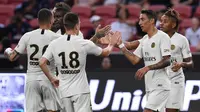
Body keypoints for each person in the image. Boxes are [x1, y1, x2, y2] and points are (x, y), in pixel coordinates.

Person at [39, 12, 120, 112]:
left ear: (65, 26)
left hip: (63, 92)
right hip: (81, 91)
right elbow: (105, 52)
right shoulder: (82, 43)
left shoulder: (54, 44)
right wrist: (111, 43)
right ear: (77, 26)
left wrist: (52, 78)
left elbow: (42, 62)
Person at [4, 8, 62, 112]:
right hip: (48, 78)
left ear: (37, 20)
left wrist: (7, 50)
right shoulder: (57, 37)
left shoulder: (28, 36)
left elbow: (12, 57)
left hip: (32, 79)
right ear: (51, 21)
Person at [116, 10, 171, 112]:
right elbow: (134, 59)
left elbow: (167, 60)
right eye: (139, 20)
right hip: (150, 86)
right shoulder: (144, 39)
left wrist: (147, 67)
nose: (139, 23)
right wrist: (120, 45)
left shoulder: (163, 37)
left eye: (142, 19)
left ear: (151, 21)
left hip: (160, 85)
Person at [160, 8, 194, 112]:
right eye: (161, 21)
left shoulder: (181, 40)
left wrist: (181, 64)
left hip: (175, 81)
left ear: (173, 25)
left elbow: (190, 63)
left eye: (165, 22)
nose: (161, 24)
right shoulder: (157, 38)